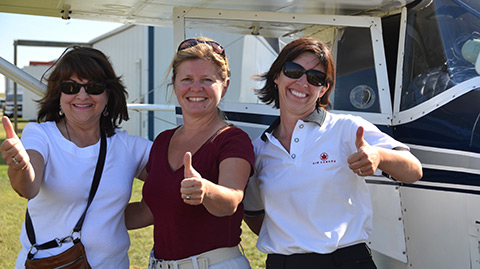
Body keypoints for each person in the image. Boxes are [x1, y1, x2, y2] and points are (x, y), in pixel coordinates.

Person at [243, 37, 423, 268]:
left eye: (315, 78)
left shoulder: (346, 128)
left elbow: (414, 171)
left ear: (323, 89)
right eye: (293, 71)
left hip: (344, 261)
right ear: (277, 76)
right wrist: (294, 243)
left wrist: (379, 156)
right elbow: (254, 213)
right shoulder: (259, 149)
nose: (302, 82)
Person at [0, 46, 152, 268]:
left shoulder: (129, 146)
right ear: (58, 94)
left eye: (94, 87)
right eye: (70, 87)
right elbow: (28, 188)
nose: (82, 95)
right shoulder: (41, 134)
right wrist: (20, 165)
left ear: (108, 94)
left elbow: (173, 180)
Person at [125, 37, 255, 269]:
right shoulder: (163, 141)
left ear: (224, 86)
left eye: (207, 79)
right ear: (174, 84)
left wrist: (205, 190)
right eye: (187, 79)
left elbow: (231, 201)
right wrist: (89, 212)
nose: (196, 88)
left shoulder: (233, 139)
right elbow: (148, 211)